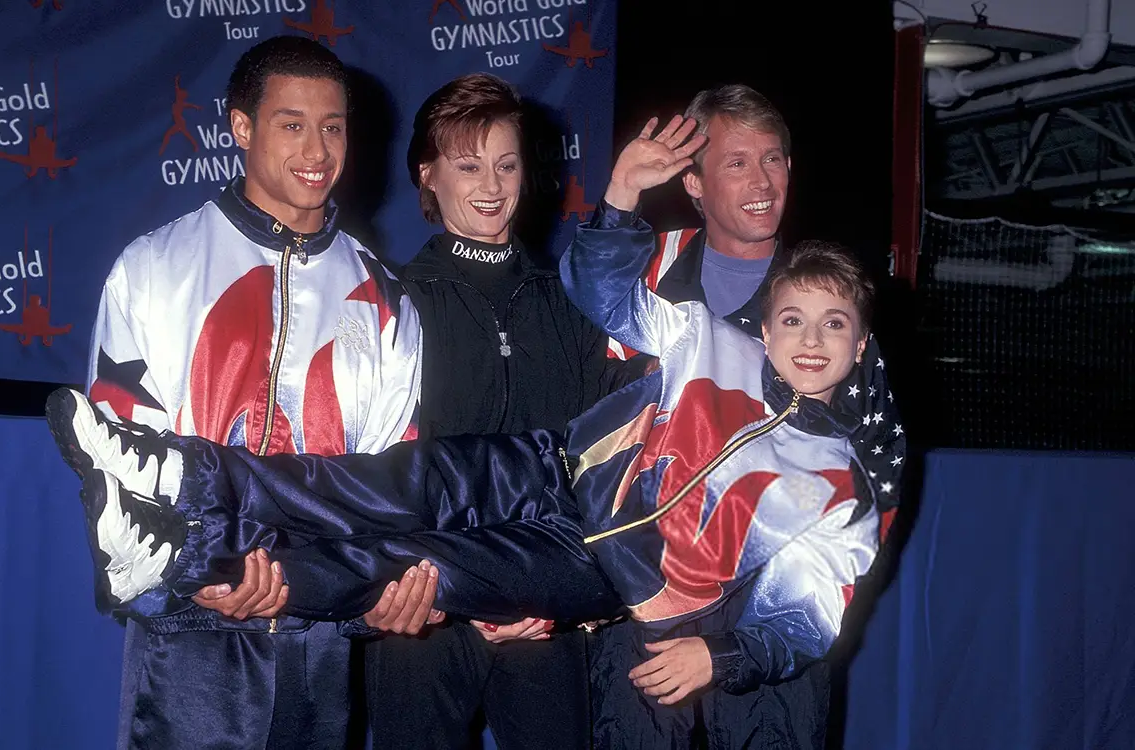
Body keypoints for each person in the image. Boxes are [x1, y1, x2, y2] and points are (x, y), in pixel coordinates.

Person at [47, 223, 882, 748]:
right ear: (764, 327)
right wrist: (622, 205)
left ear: (859, 342)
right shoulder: (704, 335)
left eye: (834, 324)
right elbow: (601, 290)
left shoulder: (843, 490)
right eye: (793, 320)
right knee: (380, 484)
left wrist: (720, 653)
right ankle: (176, 472)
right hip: (549, 467)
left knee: (424, 563)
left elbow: (806, 618)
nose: (811, 341)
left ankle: (187, 560)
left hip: (601, 572)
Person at [84, 35, 440, 750]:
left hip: (321, 643)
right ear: (241, 127)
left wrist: (383, 590)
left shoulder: (387, 295)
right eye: (291, 123)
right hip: (192, 641)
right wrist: (190, 582)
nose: (317, 149)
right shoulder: (154, 269)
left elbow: (392, 476)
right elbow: (115, 462)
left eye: (333, 126)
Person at [591, 87, 907, 747]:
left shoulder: (826, 299)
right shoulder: (647, 272)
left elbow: (876, 479)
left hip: (776, 595)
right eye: (737, 162)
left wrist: (779, 616)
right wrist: (621, 189)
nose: (762, 180)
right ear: (694, 181)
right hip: (648, 585)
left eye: (774, 159)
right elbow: (592, 422)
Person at [364, 72, 639, 750]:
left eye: (507, 163)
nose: (491, 183)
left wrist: (573, 594)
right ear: (428, 176)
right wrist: (416, 587)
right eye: (467, 164)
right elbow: (367, 468)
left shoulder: (570, 302)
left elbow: (603, 466)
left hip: (542, 613)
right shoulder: (388, 302)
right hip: (424, 612)